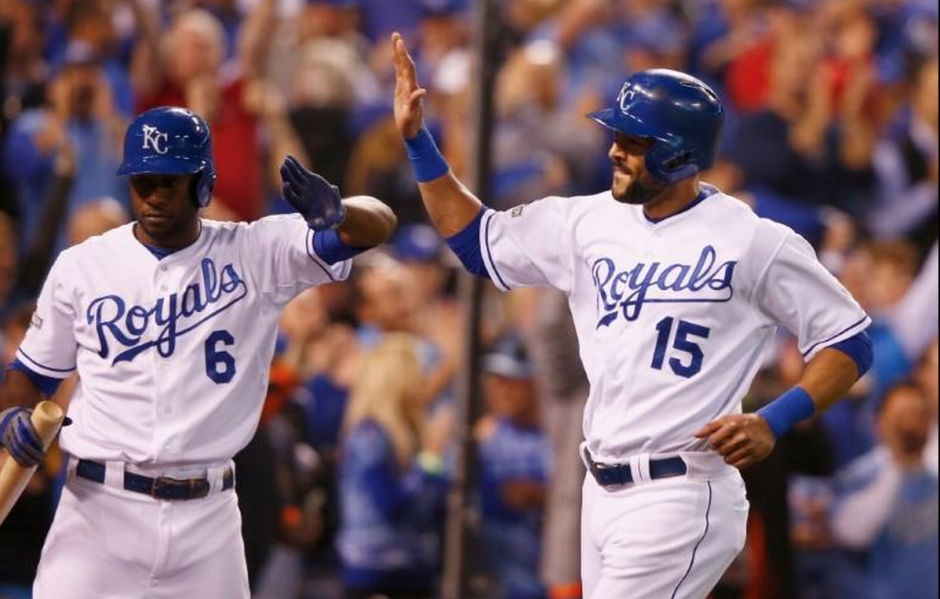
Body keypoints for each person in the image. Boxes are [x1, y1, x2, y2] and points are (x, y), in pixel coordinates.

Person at [391, 33, 874, 598]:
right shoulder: (586, 222)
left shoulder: (753, 240)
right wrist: (418, 141)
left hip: (681, 492)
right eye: (616, 135)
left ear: (679, 150)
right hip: (601, 491)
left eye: (633, 140)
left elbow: (850, 339)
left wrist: (775, 418)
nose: (615, 150)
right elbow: (476, 241)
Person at [0, 106, 396, 599]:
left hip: (207, 521)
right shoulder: (83, 265)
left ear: (203, 184)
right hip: (98, 513)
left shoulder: (257, 251)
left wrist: (340, 214)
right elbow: (30, 373)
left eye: (169, 180)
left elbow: (378, 223)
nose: (154, 194)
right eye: (143, 180)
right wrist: (12, 412)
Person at [337, 333, 451, 599]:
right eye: (418, 373)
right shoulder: (370, 436)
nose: (424, 383)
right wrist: (431, 459)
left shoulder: (406, 433)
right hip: (377, 572)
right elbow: (390, 506)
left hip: (413, 571)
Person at [830, 381, 938, 599]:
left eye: (918, 414)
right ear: (879, 422)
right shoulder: (860, 476)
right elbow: (849, 533)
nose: (909, 424)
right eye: (900, 415)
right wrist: (898, 464)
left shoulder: (933, 477)